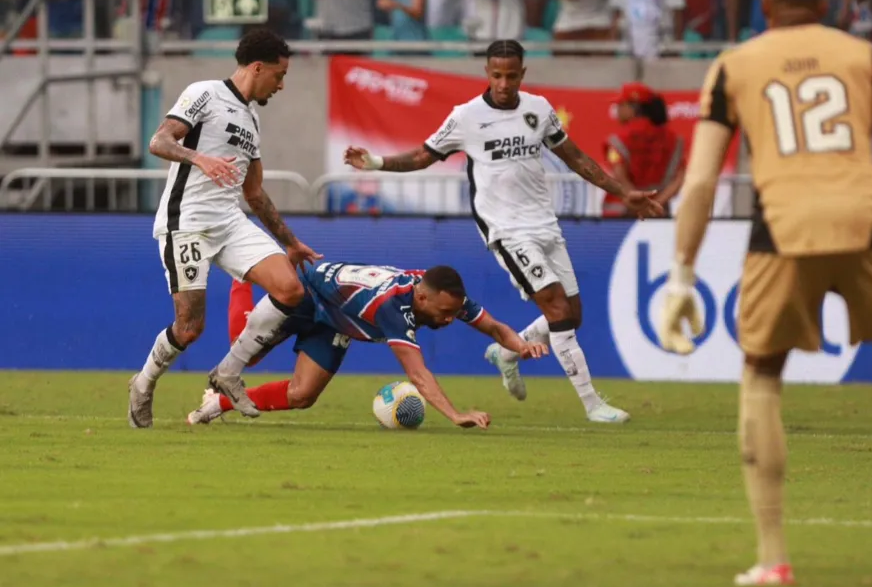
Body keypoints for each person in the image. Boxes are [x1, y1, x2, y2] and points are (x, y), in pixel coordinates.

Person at [658, 0, 872, 587]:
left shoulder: (735, 64)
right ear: (825, 3)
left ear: (766, 5)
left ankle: (774, 556)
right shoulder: (864, 56)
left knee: (762, 376)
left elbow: (703, 180)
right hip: (865, 222)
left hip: (781, 229)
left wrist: (682, 274)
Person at [344, 39, 664, 423]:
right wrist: (376, 161)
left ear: (522, 74)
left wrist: (625, 193)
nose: (503, 83)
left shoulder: (539, 109)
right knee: (557, 307)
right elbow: (422, 155)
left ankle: (508, 352)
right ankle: (593, 405)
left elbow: (576, 158)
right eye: (496, 75)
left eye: (511, 76)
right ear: (487, 73)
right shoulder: (466, 116)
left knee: (572, 314)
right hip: (506, 229)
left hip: (544, 222)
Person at [128, 29, 322, 429]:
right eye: (279, 75)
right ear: (257, 67)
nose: (281, 85)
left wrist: (291, 242)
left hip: (230, 221)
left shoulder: (251, 117)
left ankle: (228, 373)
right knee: (190, 327)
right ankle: (143, 384)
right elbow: (159, 141)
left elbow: (254, 192)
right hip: (188, 223)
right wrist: (199, 159)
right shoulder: (204, 93)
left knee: (290, 289)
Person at [187, 264, 545, 428]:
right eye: (445, 312)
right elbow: (418, 375)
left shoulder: (442, 295)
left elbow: (496, 328)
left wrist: (522, 345)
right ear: (421, 297)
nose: (451, 319)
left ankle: (218, 403)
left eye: (455, 312)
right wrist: (455, 415)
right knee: (243, 351)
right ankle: (240, 277)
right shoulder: (394, 308)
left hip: (336, 318)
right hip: (307, 295)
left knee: (302, 395)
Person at [603, 82, 684, 217]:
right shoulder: (675, 140)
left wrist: (638, 203)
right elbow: (679, 178)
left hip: (621, 215)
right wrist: (656, 203)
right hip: (659, 213)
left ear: (633, 108)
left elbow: (620, 175)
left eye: (620, 105)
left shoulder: (616, 141)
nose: (616, 109)